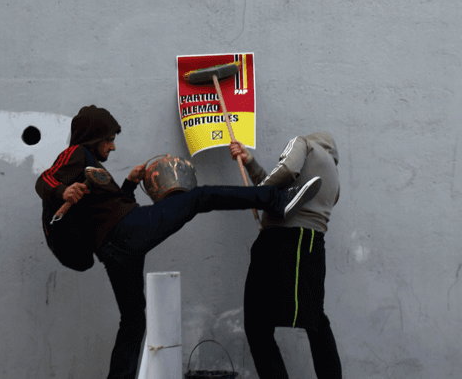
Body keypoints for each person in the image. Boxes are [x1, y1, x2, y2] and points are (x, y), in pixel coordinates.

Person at [35, 106, 322, 379]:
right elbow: (44, 180)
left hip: (115, 249)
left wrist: (130, 184)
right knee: (199, 197)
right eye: (108, 140)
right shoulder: (76, 153)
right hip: (126, 232)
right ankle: (277, 200)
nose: (112, 147)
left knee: (133, 321)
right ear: (93, 137)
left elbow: (106, 210)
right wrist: (62, 192)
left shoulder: (90, 165)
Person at [230, 133, 342, 379]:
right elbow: (279, 189)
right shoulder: (333, 174)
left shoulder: (303, 143)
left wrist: (255, 195)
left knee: (257, 324)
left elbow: (288, 169)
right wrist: (250, 163)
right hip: (313, 245)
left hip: (280, 239)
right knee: (316, 322)